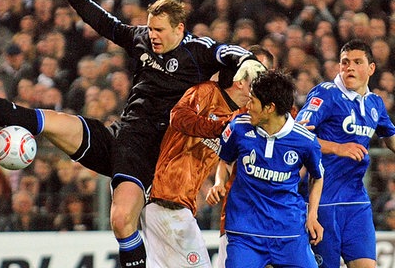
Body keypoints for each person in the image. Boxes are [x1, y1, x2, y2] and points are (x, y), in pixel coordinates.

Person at [0, 0, 264, 267]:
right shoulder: (141, 39)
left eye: (160, 30)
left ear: (179, 28)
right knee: (47, 122)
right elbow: (103, 22)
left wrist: (248, 61)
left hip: (148, 153)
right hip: (120, 137)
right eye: (151, 28)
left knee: (122, 219)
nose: (152, 35)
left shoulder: (198, 52)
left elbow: (230, 52)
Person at [141, 58, 265, 267]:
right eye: (257, 78)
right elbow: (178, 116)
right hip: (167, 200)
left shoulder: (237, 116)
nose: (260, 86)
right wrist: (219, 128)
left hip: (178, 206)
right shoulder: (207, 92)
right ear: (240, 82)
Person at [206, 71, 324, 268]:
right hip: (245, 233)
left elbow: (317, 177)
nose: (248, 106)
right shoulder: (239, 128)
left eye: (253, 101)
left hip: (289, 233)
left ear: (270, 108)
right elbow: (225, 161)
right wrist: (219, 182)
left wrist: (313, 216)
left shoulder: (305, 140)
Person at [296, 39, 395, 268]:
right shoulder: (326, 94)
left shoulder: (374, 103)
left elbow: (390, 139)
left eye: (357, 62)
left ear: (371, 68)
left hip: (356, 201)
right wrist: (338, 148)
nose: (349, 67)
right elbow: (296, 136)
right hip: (322, 201)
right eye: (344, 62)